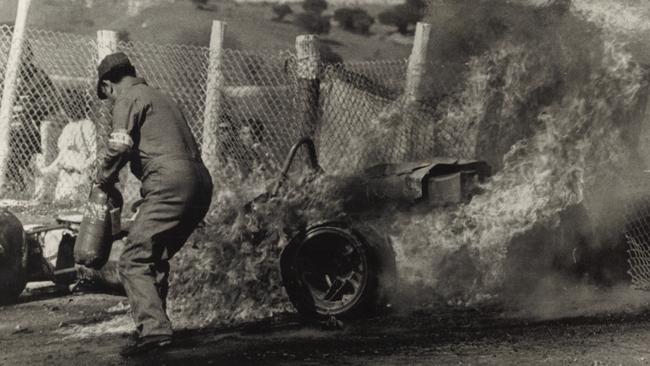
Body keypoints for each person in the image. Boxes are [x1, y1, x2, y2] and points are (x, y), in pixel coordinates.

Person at [94, 52, 213, 356]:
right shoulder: (162, 98)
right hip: (200, 182)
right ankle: (154, 330)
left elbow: (119, 145)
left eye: (106, 95)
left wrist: (102, 179)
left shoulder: (127, 97)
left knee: (133, 259)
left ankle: (155, 331)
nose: (109, 100)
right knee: (154, 256)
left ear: (108, 86)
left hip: (170, 181)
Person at [35, 90, 97, 201]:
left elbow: (94, 154)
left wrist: (81, 168)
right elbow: (62, 155)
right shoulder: (68, 127)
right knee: (60, 206)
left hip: (78, 175)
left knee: (71, 207)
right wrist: (48, 170)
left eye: (62, 107)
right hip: (64, 177)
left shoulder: (86, 125)